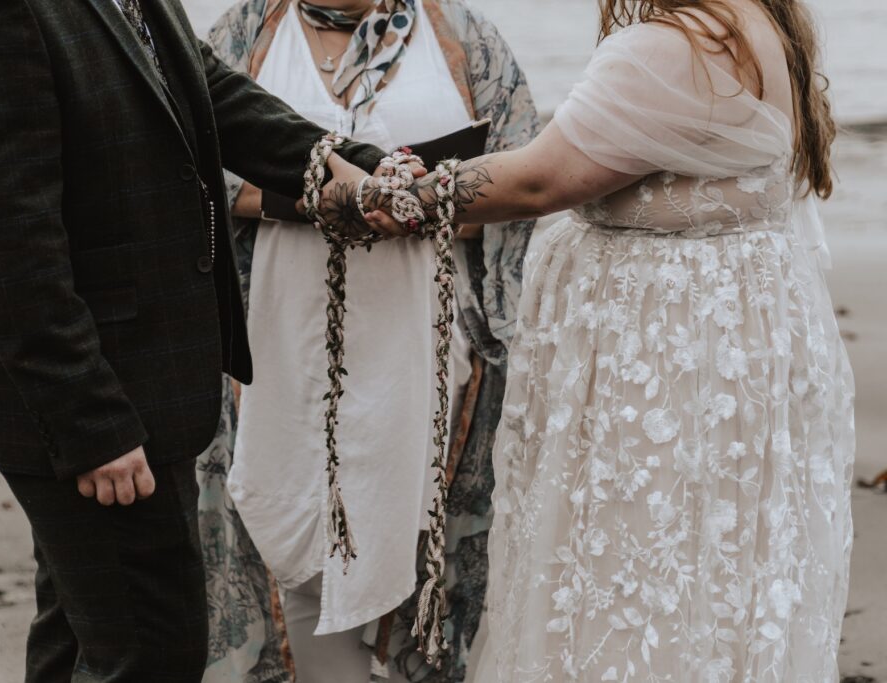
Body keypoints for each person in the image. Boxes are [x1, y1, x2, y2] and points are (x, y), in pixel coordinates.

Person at [351, 0, 855, 679]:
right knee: (703, 580)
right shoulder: (757, 21)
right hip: (722, 359)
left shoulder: (671, 46)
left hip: (660, 374)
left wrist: (399, 194)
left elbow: (538, 179)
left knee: (631, 577)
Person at [0, 0, 398, 680]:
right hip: (94, 398)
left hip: (144, 376)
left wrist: (339, 161)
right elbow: (7, 243)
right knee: (153, 652)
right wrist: (92, 421)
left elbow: (205, 88)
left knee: (79, 639)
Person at [197, 1, 538, 681]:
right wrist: (313, 199)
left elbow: (523, 178)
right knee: (290, 525)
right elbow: (185, 165)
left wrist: (414, 209)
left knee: (408, 524)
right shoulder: (242, 37)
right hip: (277, 334)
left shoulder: (467, 42)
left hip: (421, 345)